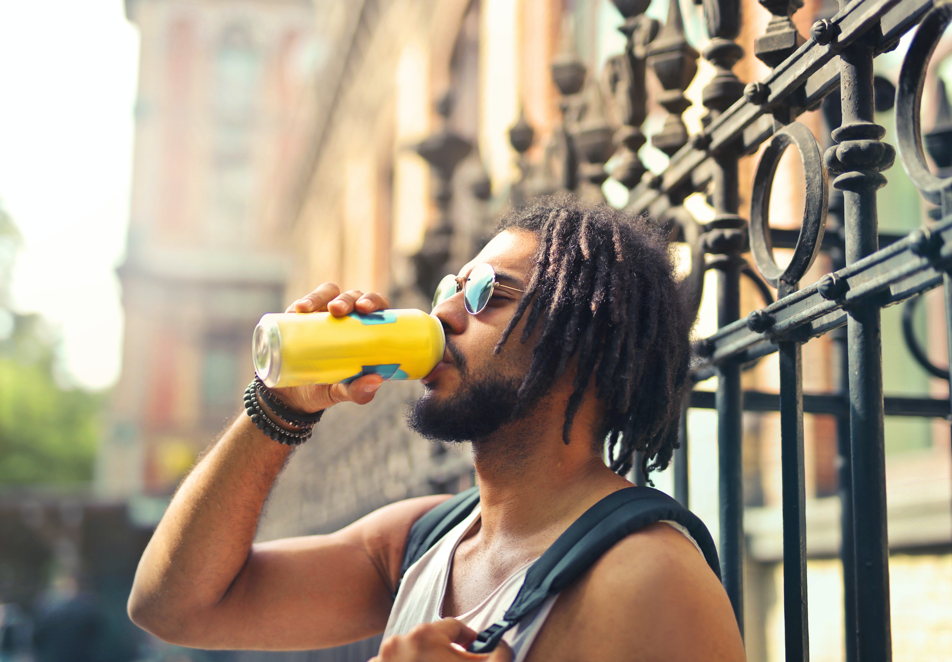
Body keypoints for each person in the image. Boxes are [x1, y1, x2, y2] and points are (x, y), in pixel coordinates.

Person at [128, 197, 747, 662]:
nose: (443, 311)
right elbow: (175, 605)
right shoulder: (421, 541)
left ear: (583, 339)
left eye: (486, 293)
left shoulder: (646, 575)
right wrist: (280, 407)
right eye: (448, 287)